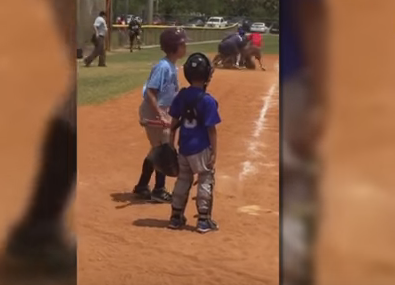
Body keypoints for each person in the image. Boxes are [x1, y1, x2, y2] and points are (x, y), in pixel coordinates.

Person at [167, 53, 221, 233]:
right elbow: (211, 129)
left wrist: (170, 144)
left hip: (184, 148)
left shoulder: (181, 96)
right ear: (207, 75)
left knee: (183, 180)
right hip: (201, 149)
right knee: (205, 178)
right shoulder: (208, 100)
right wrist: (214, 152)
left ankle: (175, 217)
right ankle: (204, 220)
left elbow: (173, 124)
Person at [132, 28, 187, 203]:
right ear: (174, 47)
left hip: (162, 111)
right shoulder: (163, 67)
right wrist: (161, 116)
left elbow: (168, 93)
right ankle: (159, 190)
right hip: (154, 112)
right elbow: (150, 93)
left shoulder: (171, 66)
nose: (185, 46)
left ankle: (142, 186)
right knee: (163, 150)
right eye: (182, 44)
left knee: (156, 150)